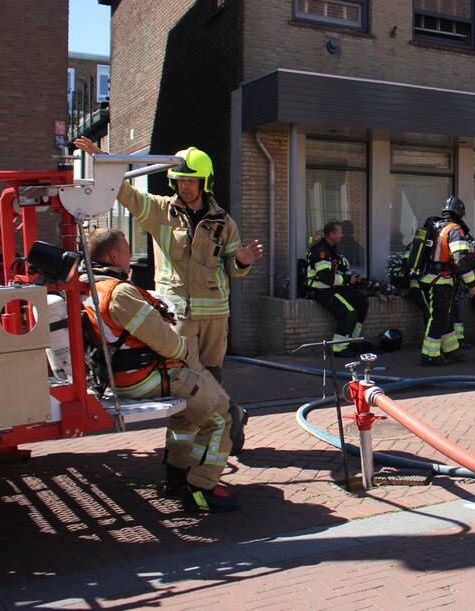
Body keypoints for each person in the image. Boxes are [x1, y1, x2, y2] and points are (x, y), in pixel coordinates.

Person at [74, 137, 263, 385]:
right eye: (180, 180)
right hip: (178, 316)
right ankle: (185, 424)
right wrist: (105, 158)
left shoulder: (224, 222)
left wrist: (242, 262)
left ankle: (216, 421)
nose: (184, 186)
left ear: (204, 182)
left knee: (213, 375)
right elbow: (126, 193)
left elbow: (232, 270)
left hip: (215, 317)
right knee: (181, 375)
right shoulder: (160, 211)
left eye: (191, 180)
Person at [81, 229, 242, 513]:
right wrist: (187, 354)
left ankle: (176, 477)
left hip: (120, 378)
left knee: (187, 414)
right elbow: (167, 344)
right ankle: (202, 489)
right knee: (221, 416)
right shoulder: (121, 293)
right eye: (128, 250)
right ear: (114, 256)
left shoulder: (86, 286)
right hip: (145, 377)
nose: (131, 256)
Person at [419, 197, 475, 365]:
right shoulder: (454, 229)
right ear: (460, 213)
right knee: (438, 318)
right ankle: (429, 355)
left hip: (429, 279)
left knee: (445, 317)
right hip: (440, 281)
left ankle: (452, 351)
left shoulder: (435, 226)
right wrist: (472, 285)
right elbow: (461, 262)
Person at [306, 220, 369, 356]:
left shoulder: (331, 249)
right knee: (349, 312)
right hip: (322, 290)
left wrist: (351, 278)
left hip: (333, 287)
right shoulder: (321, 251)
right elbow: (325, 277)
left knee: (361, 300)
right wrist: (347, 280)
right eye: (339, 232)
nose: (342, 235)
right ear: (332, 234)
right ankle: (338, 348)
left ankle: (352, 339)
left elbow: (335, 272)